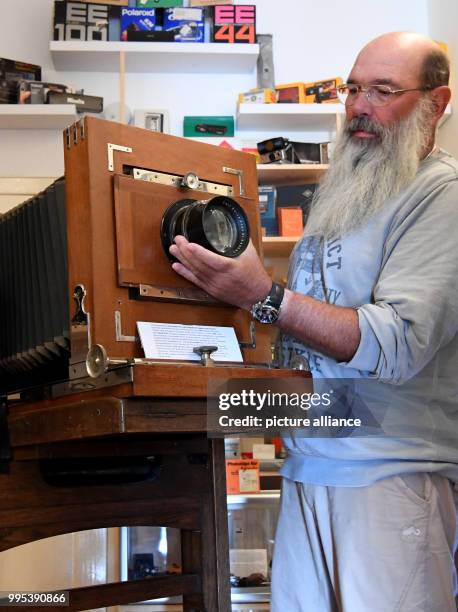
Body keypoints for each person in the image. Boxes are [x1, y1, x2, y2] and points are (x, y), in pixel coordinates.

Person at [170, 31, 458, 612]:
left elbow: (396, 343)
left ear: (436, 101)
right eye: (353, 89)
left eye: (382, 90)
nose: (358, 105)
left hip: (389, 480)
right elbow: (303, 345)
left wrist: (262, 295)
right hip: (309, 470)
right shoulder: (345, 193)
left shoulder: (441, 196)